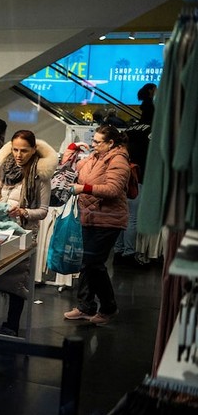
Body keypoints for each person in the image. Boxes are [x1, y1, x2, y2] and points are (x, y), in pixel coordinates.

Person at [0, 130, 57, 336]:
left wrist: (22, 211)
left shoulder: (40, 176)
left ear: (33, 150)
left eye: (24, 150)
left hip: (22, 233)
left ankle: (11, 326)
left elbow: (42, 211)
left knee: (17, 280)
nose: (18, 154)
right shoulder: (1, 169)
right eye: (15, 149)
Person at [64, 124, 131, 326]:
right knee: (86, 262)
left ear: (110, 143)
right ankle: (86, 306)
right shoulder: (95, 157)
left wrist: (83, 188)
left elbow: (113, 189)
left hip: (108, 219)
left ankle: (109, 308)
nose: (93, 145)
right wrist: (73, 149)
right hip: (90, 216)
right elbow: (69, 169)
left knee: (93, 263)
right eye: (93, 141)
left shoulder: (118, 160)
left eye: (97, 142)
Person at [114, 83, 156, 266]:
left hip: (122, 176)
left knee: (121, 216)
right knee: (132, 218)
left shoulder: (131, 130)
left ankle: (118, 251)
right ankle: (129, 253)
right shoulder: (153, 132)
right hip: (140, 177)